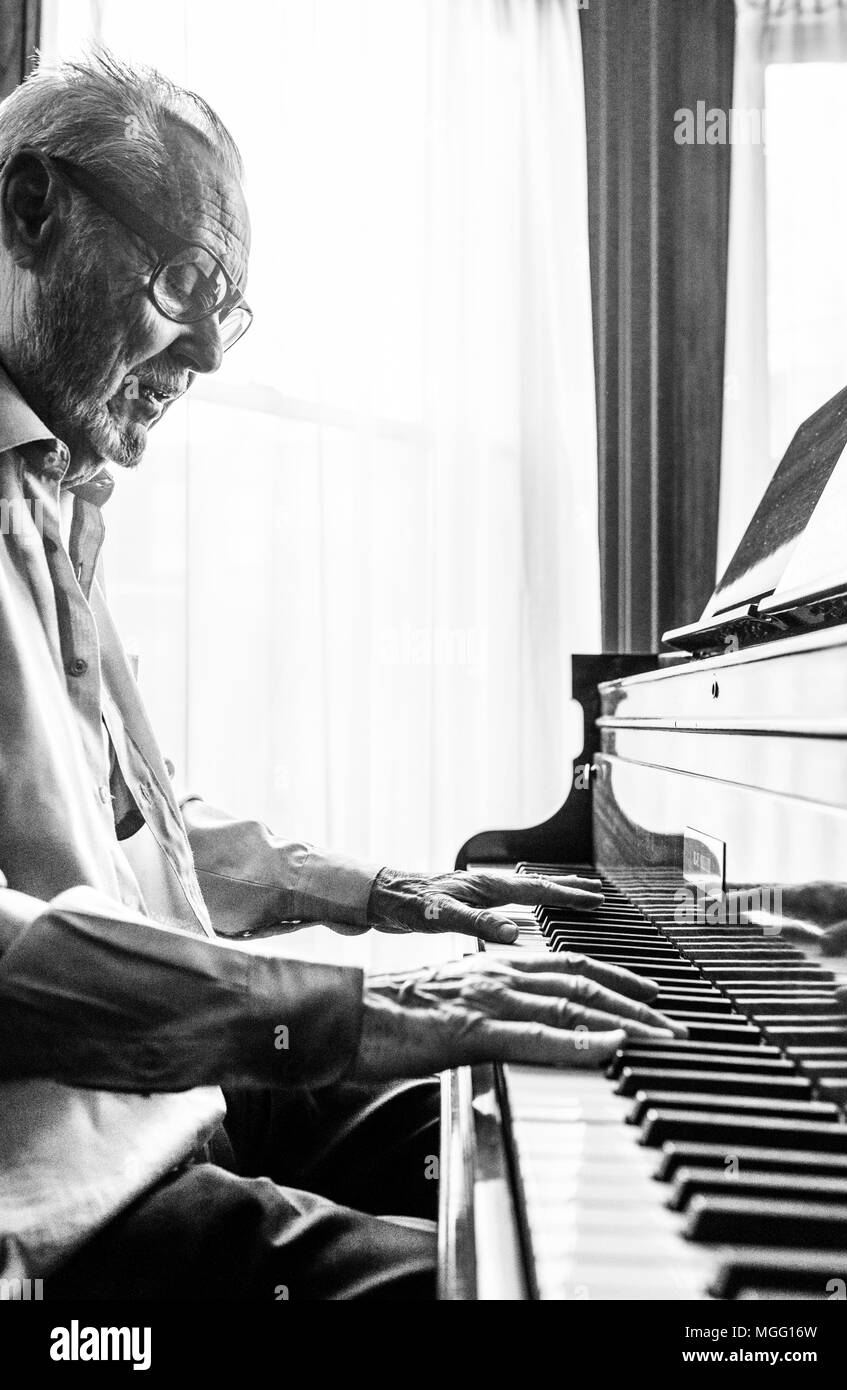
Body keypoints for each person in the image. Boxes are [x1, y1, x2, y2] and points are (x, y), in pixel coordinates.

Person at [0, 50, 681, 1301]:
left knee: (583, 1141)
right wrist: (358, 1011)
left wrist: (385, 896)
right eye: (186, 281)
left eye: (230, 305)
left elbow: (135, 841)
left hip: (193, 1104)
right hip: (74, 1209)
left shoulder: (52, 489)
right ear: (32, 207)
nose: (207, 351)